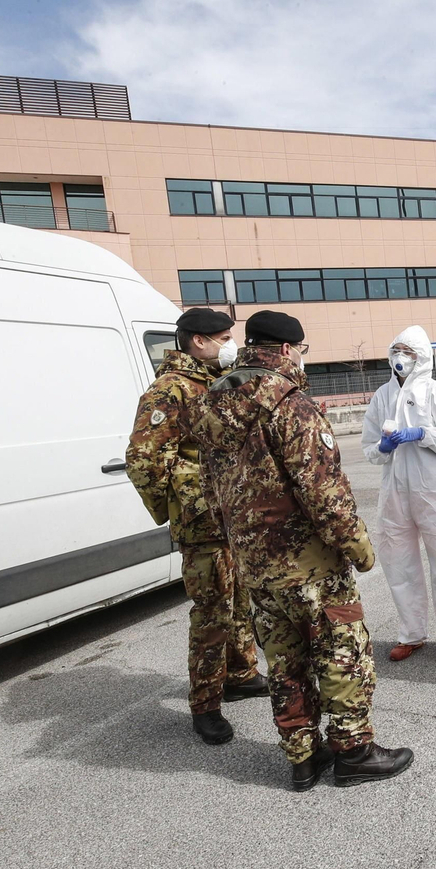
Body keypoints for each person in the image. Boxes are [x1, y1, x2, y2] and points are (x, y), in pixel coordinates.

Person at [189, 309, 412, 791]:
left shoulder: (213, 403)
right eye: (301, 351)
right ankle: (353, 750)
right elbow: (324, 491)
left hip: (255, 567)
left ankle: (303, 758)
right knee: (340, 651)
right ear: (287, 350)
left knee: (284, 661)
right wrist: (359, 548)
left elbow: (209, 490)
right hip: (308, 564)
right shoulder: (290, 403)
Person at [125, 307, 268, 747]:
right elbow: (143, 460)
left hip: (233, 516)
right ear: (199, 341)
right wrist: (185, 504)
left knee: (240, 598)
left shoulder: (217, 381)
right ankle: (205, 704)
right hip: (203, 522)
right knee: (212, 612)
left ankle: (240, 673)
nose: (231, 343)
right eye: (224, 336)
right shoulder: (170, 390)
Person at [361, 326, 436, 662]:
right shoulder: (382, 396)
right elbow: (370, 447)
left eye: (408, 351)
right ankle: (411, 633)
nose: (401, 358)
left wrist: (423, 433)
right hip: (395, 490)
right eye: (396, 350)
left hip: (435, 489)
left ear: (422, 355)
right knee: (399, 563)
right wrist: (383, 447)